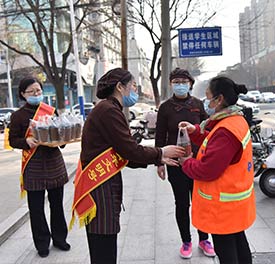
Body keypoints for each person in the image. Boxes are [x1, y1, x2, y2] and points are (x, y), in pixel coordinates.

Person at [70, 68, 185, 264]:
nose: (135, 90)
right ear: (120, 87)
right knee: (103, 245)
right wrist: (161, 152)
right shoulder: (108, 110)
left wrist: (157, 158)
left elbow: (122, 153)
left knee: (104, 241)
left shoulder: (108, 108)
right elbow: (129, 149)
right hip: (100, 187)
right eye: (133, 86)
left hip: (103, 184)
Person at [179, 76, 256, 264]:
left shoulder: (226, 130)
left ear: (219, 99)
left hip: (223, 207)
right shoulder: (234, 120)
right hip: (235, 202)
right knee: (238, 242)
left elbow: (207, 170)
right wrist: (195, 132)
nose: (206, 102)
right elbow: (213, 144)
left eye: (208, 97)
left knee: (227, 250)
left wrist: (186, 162)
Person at [155, 67, 215, 259]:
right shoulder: (165, 107)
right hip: (176, 163)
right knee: (182, 203)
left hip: (198, 162)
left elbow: (207, 130)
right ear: (171, 84)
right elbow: (160, 135)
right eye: (176, 82)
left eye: (183, 82)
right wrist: (159, 161)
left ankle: (204, 239)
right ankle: (186, 241)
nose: (180, 85)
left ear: (190, 84)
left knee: (200, 202)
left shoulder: (198, 104)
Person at [9, 76, 70, 258]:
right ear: (23, 94)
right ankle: (42, 243)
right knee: (36, 208)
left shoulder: (50, 111)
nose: (36, 94)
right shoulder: (17, 116)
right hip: (33, 166)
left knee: (57, 204)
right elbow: (13, 140)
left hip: (53, 163)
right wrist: (26, 141)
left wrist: (63, 139)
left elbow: (61, 133)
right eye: (32, 91)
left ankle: (60, 239)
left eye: (39, 91)